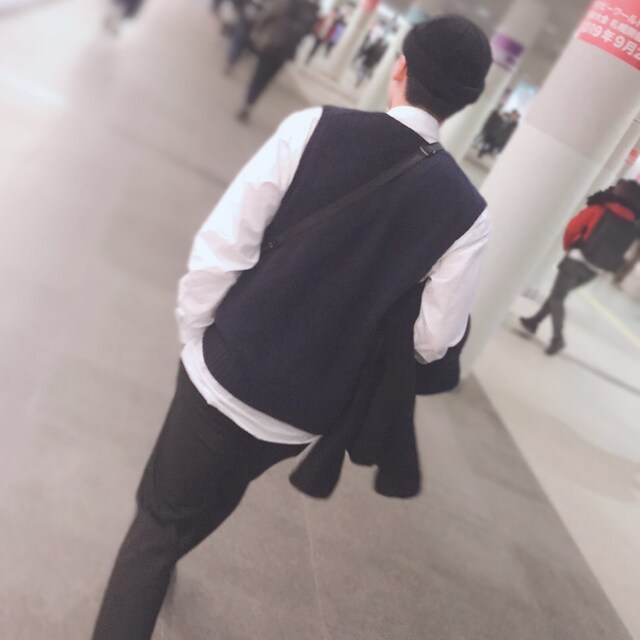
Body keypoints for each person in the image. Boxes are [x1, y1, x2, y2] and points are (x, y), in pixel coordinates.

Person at [91, 15, 493, 639]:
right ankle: (163, 562)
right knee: (223, 488)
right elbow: (432, 341)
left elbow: (225, 244)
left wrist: (196, 333)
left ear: (401, 67)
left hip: (226, 369)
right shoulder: (468, 214)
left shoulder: (316, 128)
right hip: (304, 413)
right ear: (466, 102)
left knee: (157, 521)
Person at [520, 179, 640, 355]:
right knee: (558, 295)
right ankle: (534, 321)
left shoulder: (600, 208)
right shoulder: (632, 225)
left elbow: (572, 228)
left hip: (576, 260)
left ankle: (557, 339)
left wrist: (570, 247)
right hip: (595, 269)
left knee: (557, 297)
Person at [236, 0, 319, 123]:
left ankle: (250, 103)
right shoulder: (296, 4)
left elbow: (308, 30)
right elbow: (273, 13)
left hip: (285, 49)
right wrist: (259, 28)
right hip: (274, 42)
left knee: (267, 78)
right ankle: (248, 102)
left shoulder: (313, 10)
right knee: (260, 75)